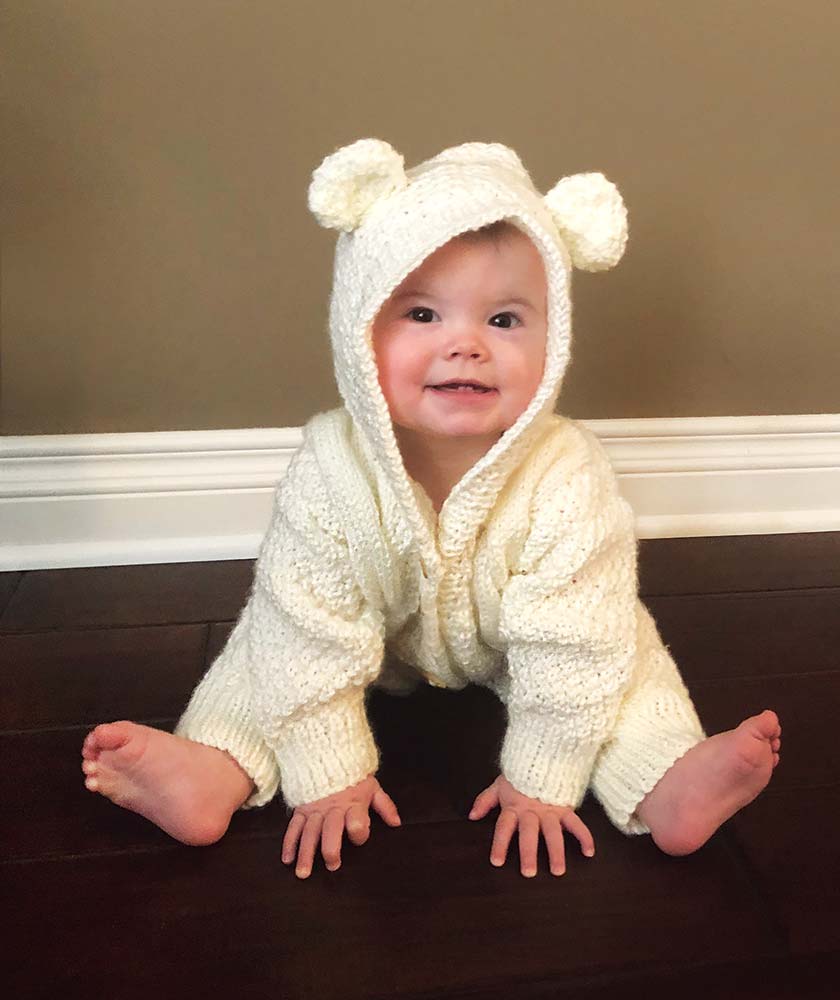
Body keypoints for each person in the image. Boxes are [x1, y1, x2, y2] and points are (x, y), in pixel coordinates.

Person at [80, 139, 781, 880]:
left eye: (505, 320)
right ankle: (212, 766)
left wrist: (542, 779)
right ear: (357, 330)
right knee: (273, 637)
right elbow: (310, 631)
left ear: (554, 339)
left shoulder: (569, 472)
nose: (466, 345)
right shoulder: (329, 469)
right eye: (422, 313)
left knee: (618, 648)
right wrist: (328, 774)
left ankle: (667, 776)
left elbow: (574, 645)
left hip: (517, 639)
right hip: (374, 637)